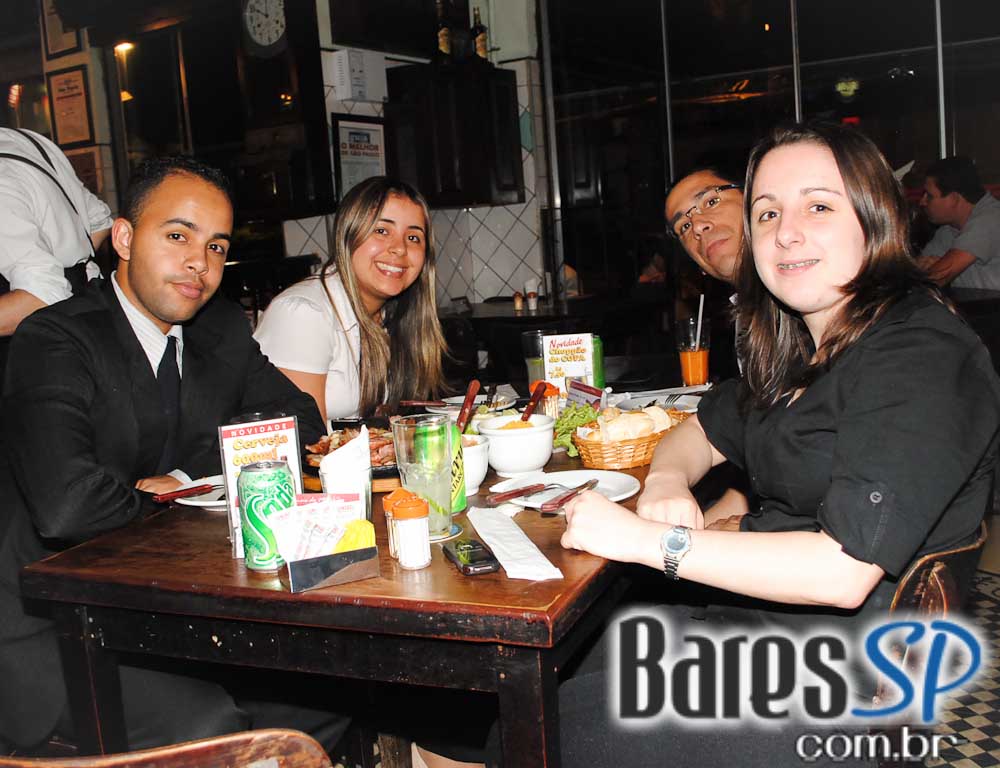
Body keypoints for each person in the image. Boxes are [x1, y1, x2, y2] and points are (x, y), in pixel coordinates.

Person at [425, 122, 1000, 767]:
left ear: (876, 216)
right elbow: (697, 430)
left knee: (554, 725)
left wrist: (650, 542)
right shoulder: (801, 349)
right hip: (780, 629)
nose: (786, 232)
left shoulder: (919, 352)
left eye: (818, 206)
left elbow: (841, 574)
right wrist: (667, 482)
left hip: (849, 682)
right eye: (769, 212)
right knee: (559, 661)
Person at [0, 156, 340, 751]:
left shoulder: (219, 329)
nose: (199, 262)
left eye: (216, 246)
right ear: (124, 238)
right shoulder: (56, 338)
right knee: (208, 726)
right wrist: (171, 503)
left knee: (327, 692)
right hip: (47, 627)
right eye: (178, 236)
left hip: (163, 607)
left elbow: (302, 420)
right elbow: (68, 508)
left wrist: (187, 478)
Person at [254, 176, 446, 420]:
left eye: (413, 237)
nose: (400, 248)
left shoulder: (388, 315)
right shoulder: (302, 314)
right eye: (381, 231)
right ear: (348, 235)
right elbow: (302, 437)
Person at [0, 128, 113, 369]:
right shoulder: (23, 139)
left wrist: (56, 274)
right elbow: (99, 221)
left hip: (40, 355)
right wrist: (67, 267)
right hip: (93, 317)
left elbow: (40, 297)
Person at [917, 155, 1000, 288]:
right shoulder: (947, 230)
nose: (922, 202)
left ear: (954, 198)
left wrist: (936, 269)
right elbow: (917, 273)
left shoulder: (991, 219)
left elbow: (936, 278)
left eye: (929, 196)